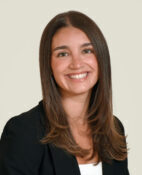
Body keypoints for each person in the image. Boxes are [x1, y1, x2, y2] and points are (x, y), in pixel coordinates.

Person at [0, 11, 130, 175]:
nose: (76, 64)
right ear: (49, 65)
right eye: (63, 54)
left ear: (101, 58)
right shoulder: (23, 132)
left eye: (87, 51)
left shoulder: (114, 129)